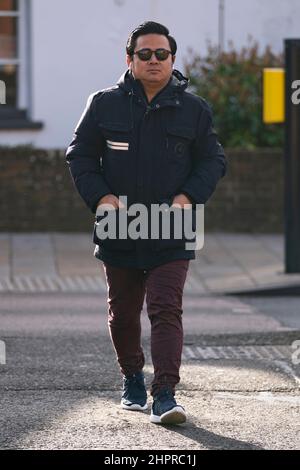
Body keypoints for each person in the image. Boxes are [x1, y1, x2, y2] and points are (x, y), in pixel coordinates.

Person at [66, 21, 226, 425]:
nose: (154, 61)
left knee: (166, 308)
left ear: (172, 60)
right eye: (145, 54)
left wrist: (188, 197)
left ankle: (166, 395)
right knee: (122, 312)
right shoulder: (103, 104)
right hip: (119, 224)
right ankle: (133, 378)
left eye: (162, 54)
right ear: (130, 59)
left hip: (170, 227)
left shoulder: (195, 109)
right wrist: (100, 197)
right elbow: (80, 154)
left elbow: (213, 160)